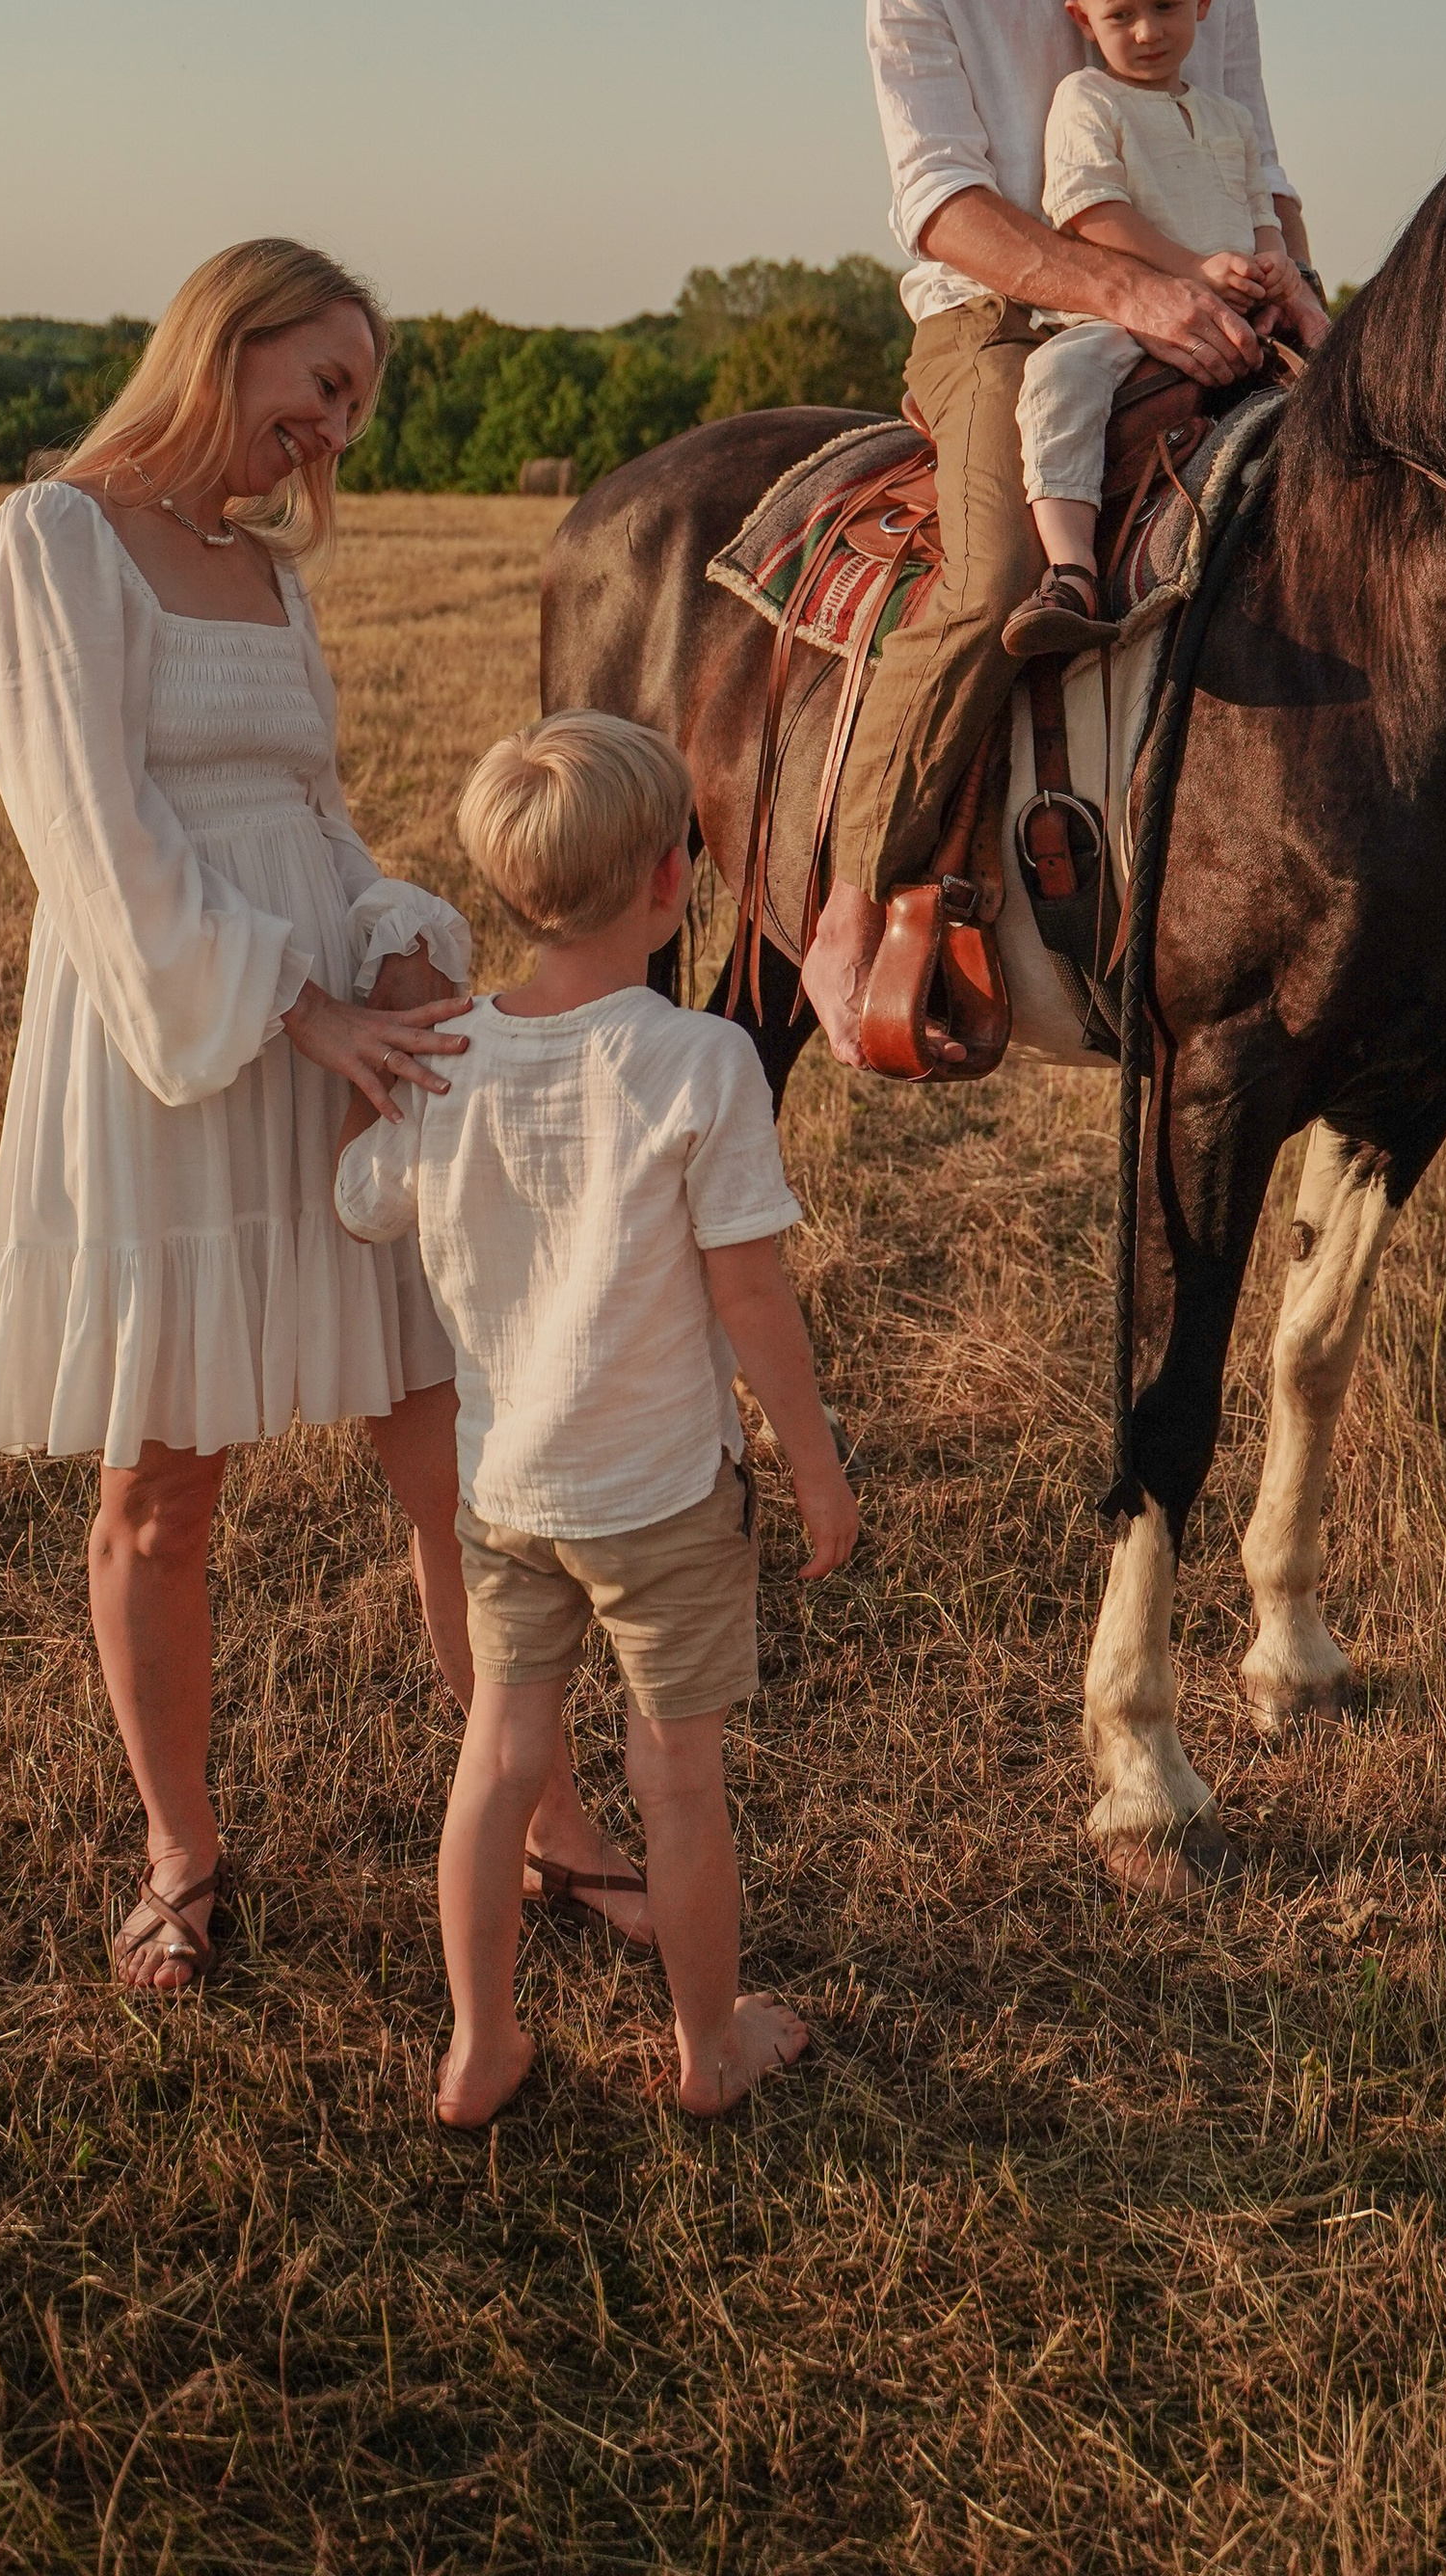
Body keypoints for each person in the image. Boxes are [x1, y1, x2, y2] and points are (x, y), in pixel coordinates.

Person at [0, 239, 651, 1994]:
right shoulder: (59, 538)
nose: (332, 434)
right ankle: (180, 1857)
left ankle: (551, 1818)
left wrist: (399, 951)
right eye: (321, 386)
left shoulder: (271, 578)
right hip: (162, 1054)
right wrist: (295, 1002)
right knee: (161, 1490)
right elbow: (97, 844)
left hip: (332, 1052)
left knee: (453, 1460)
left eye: (354, 406)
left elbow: (312, 828)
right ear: (229, 336)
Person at [333, 713, 858, 2125]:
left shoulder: (448, 1063)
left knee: (499, 1761)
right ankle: (707, 2050)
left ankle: (480, 2044)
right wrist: (816, 1467)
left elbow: (359, 1200)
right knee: (676, 1779)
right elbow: (750, 1298)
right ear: (670, 881)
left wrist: (367, 1082)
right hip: (667, 1500)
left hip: (505, 1495)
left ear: (513, 892)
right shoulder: (701, 1064)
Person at [799, 0, 1313, 1060]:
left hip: (1208, 291)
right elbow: (941, 205)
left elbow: (1257, 164)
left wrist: (1309, 305)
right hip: (995, 320)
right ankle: (852, 906)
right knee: (999, 573)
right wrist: (1125, 297)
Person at [1004, 0, 1331, 657]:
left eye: (1165, 7)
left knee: (1339, 367)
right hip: (1127, 316)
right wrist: (1189, 269)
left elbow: (1260, 210)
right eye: (1121, 15)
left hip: (1241, 310)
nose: (1147, 32)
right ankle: (1071, 567)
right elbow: (1090, 212)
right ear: (1084, 19)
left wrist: (1276, 269)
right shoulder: (1087, 100)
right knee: (1059, 381)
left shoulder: (1229, 116)